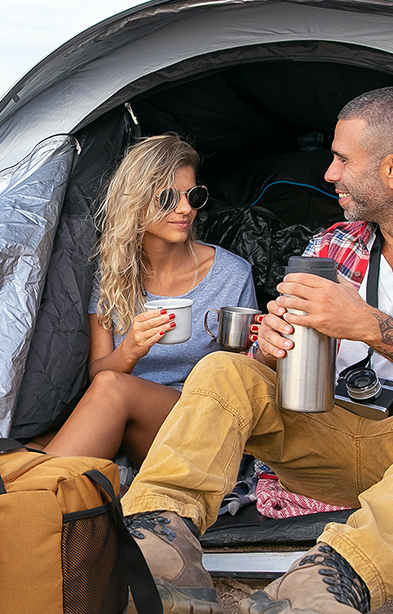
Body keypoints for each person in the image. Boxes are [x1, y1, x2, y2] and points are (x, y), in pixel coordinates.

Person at [120, 87, 393, 614]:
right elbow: (273, 356)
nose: (329, 174)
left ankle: (332, 581)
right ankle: (161, 546)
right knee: (226, 369)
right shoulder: (332, 245)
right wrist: (270, 344)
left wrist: (368, 324)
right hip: (321, 438)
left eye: (342, 159)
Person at [32, 133, 257, 476]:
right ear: (134, 204)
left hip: (202, 425)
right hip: (132, 426)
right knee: (28, 450)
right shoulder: (111, 273)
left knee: (110, 392)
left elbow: (247, 378)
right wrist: (131, 350)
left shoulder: (231, 274)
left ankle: (32, 497)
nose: (185, 209)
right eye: (167, 198)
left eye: (194, 196)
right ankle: (29, 492)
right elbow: (98, 372)